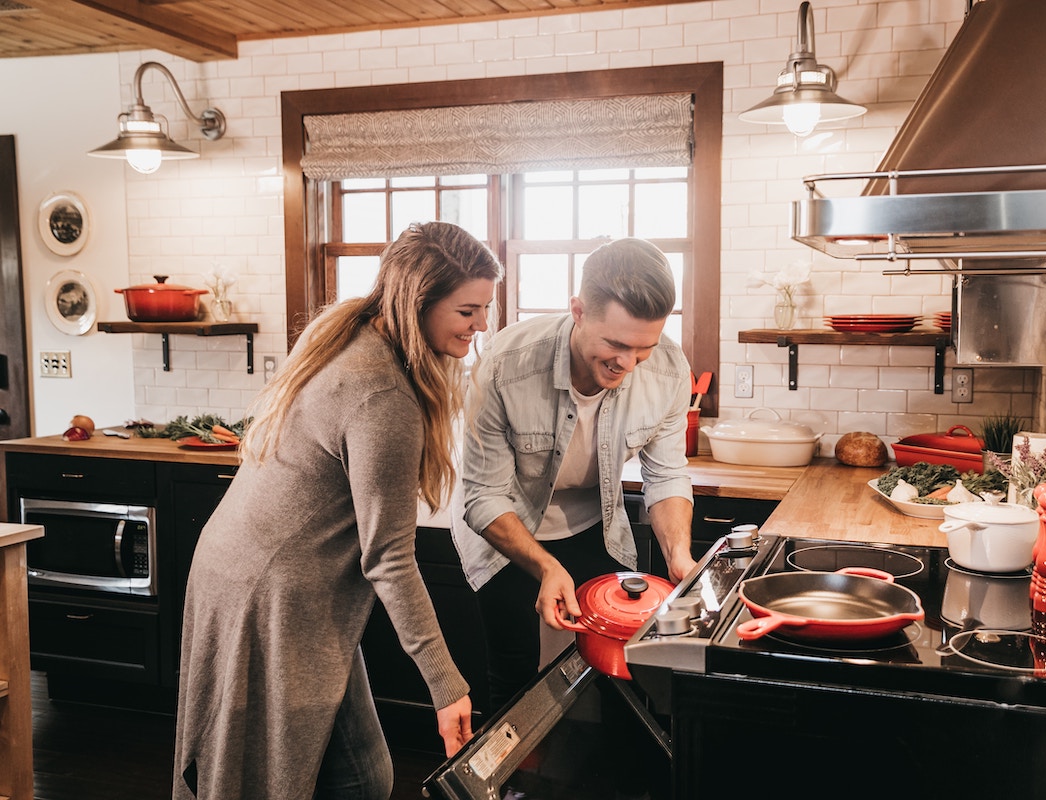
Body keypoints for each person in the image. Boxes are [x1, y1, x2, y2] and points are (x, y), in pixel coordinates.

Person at [173, 221, 502, 800]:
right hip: (274, 593)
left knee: (357, 774)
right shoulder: (383, 394)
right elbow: (389, 559)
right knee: (340, 779)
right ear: (417, 301)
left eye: (485, 309)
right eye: (467, 311)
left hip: (240, 571)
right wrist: (447, 685)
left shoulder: (350, 333)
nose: (480, 325)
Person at [451, 237, 695, 712]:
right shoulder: (505, 365)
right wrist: (546, 567)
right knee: (514, 673)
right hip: (506, 527)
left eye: (643, 348)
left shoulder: (668, 369)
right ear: (578, 311)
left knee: (620, 670)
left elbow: (666, 475)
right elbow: (483, 496)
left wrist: (679, 555)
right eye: (616, 344)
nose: (628, 364)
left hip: (593, 523)